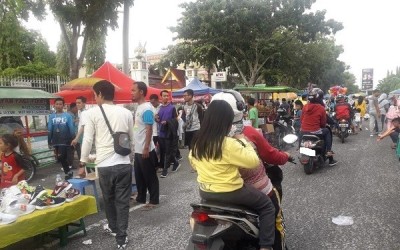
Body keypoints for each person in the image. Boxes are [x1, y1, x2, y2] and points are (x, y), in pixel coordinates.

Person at [189, 100, 276, 250]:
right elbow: (253, 161)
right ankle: (266, 246)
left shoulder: (198, 142)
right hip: (231, 191)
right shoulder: (228, 144)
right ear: (226, 123)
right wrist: (242, 139)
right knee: (267, 206)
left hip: (206, 192)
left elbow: (193, 162)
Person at [211, 91, 291, 249]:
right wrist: (285, 156)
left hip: (214, 191)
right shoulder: (248, 134)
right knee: (274, 216)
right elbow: (270, 155)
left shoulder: (206, 137)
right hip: (245, 189)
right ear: (240, 108)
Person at [78, 80, 134, 249]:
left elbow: (87, 139)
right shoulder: (126, 112)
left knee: (108, 200)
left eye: (95, 95)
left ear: (100, 94)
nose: (94, 98)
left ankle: (115, 229)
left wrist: (83, 162)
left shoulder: (91, 113)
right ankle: (121, 239)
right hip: (123, 163)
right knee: (123, 202)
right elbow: (130, 138)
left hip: (104, 165)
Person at [132, 82, 159, 210]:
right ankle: (141, 197)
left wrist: (146, 147)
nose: (131, 93)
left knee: (150, 176)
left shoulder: (147, 108)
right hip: (138, 148)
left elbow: (149, 129)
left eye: (133, 90)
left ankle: (154, 200)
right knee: (139, 175)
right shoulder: (139, 107)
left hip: (145, 148)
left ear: (141, 92)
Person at [300, 88, 337, 166]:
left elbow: (301, 119)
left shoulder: (304, 107)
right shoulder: (321, 108)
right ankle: (328, 151)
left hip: (303, 131)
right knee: (327, 131)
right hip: (315, 131)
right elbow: (323, 123)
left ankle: (299, 146)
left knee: (301, 131)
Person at [48, 98, 75, 180]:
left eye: (60, 104)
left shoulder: (68, 116)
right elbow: (49, 129)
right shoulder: (52, 116)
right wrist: (49, 141)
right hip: (56, 141)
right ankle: (68, 171)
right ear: (54, 105)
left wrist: (73, 138)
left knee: (62, 156)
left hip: (66, 140)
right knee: (60, 158)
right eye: (57, 104)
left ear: (63, 105)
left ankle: (68, 172)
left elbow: (71, 128)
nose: (58, 106)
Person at [156, 90, 180, 178]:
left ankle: (165, 170)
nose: (166, 97)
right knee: (164, 151)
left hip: (169, 133)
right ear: (161, 97)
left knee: (167, 152)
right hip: (161, 133)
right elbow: (158, 119)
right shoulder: (160, 108)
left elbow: (176, 120)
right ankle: (176, 162)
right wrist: (157, 119)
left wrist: (167, 122)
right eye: (164, 96)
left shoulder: (172, 107)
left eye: (167, 96)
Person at [71, 96, 88, 171]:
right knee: (84, 156)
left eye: (79, 103)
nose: (77, 104)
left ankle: (87, 171)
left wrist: (76, 138)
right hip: (82, 138)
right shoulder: (80, 112)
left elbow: (83, 126)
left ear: (84, 103)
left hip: (85, 137)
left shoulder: (84, 112)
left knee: (85, 156)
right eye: (76, 103)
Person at [149, 94, 161, 169]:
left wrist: (157, 118)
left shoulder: (162, 107)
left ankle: (162, 164)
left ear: (157, 100)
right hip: (153, 132)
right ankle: (156, 164)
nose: (152, 103)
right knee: (153, 149)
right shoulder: (150, 108)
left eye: (153, 102)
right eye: (151, 102)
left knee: (161, 148)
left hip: (161, 132)